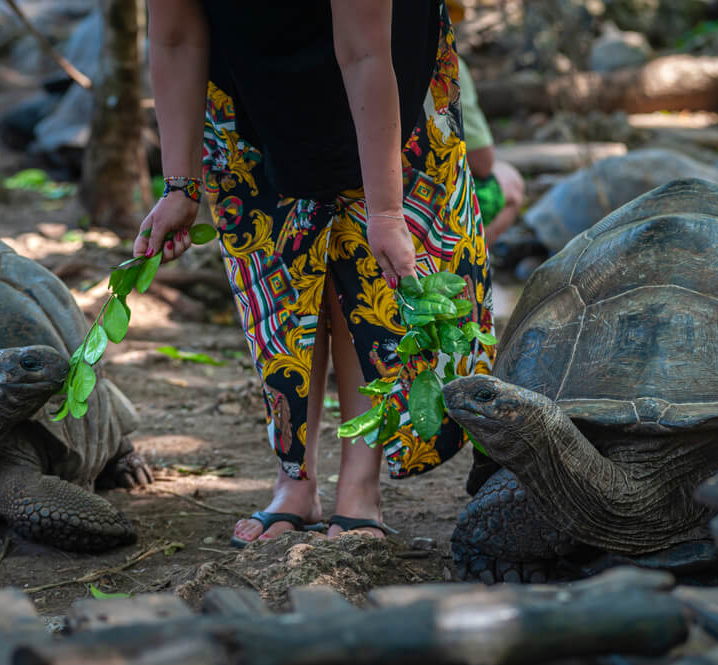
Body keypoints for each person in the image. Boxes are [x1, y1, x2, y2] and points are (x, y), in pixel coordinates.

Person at [135, 0, 497, 545]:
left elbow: (365, 52)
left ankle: (359, 488)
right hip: (248, 80)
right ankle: (295, 483)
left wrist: (386, 213)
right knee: (280, 268)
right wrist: (180, 186)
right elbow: (175, 38)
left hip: (384, 67)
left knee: (366, 269)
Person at [447, 0, 525, 247]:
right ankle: (468, 264)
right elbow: (482, 163)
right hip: (430, 203)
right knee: (510, 179)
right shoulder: (449, 65)